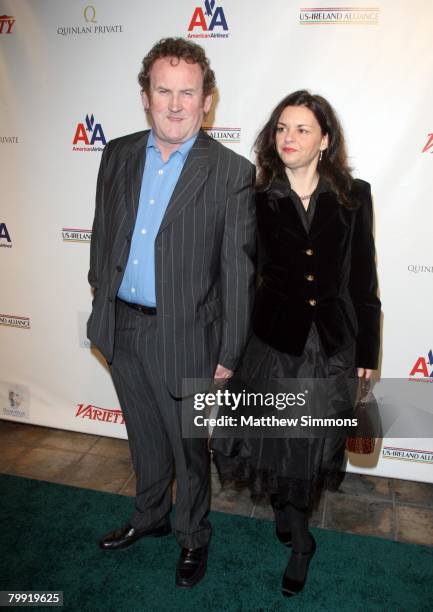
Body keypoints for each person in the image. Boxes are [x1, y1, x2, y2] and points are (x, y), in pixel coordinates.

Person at [87, 37, 255, 588]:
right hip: (123, 326)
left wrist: (227, 355)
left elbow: (237, 272)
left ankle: (191, 536)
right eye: (164, 91)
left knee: (188, 449)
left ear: (207, 100)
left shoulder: (231, 172)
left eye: (188, 92)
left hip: (189, 337)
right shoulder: (117, 154)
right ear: (146, 96)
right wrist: (101, 300)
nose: (176, 104)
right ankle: (150, 516)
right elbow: (102, 237)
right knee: (144, 437)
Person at [211, 90, 381, 597]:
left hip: (331, 345)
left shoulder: (355, 195)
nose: (290, 137)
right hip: (273, 344)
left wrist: (368, 355)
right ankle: (295, 525)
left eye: (303, 129)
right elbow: (240, 278)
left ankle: (298, 534)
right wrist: (228, 345)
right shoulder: (255, 197)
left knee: (310, 443)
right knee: (281, 439)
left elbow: (363, 282)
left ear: (325, 140)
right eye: (282, 128)